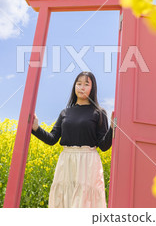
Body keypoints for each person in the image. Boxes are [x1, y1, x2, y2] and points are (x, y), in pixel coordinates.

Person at [31, 71, 113, 208]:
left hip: (88, 161)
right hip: (66, 160)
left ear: (93, 88)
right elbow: (52, 139)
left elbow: (104, 145)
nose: (82, 87)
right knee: (63, 200)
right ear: (74, 87)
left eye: (86, 84)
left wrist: (112, 128)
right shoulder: (65, 112)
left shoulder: (99, 112)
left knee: (85, 201)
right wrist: (35, 128)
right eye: (79, 83)